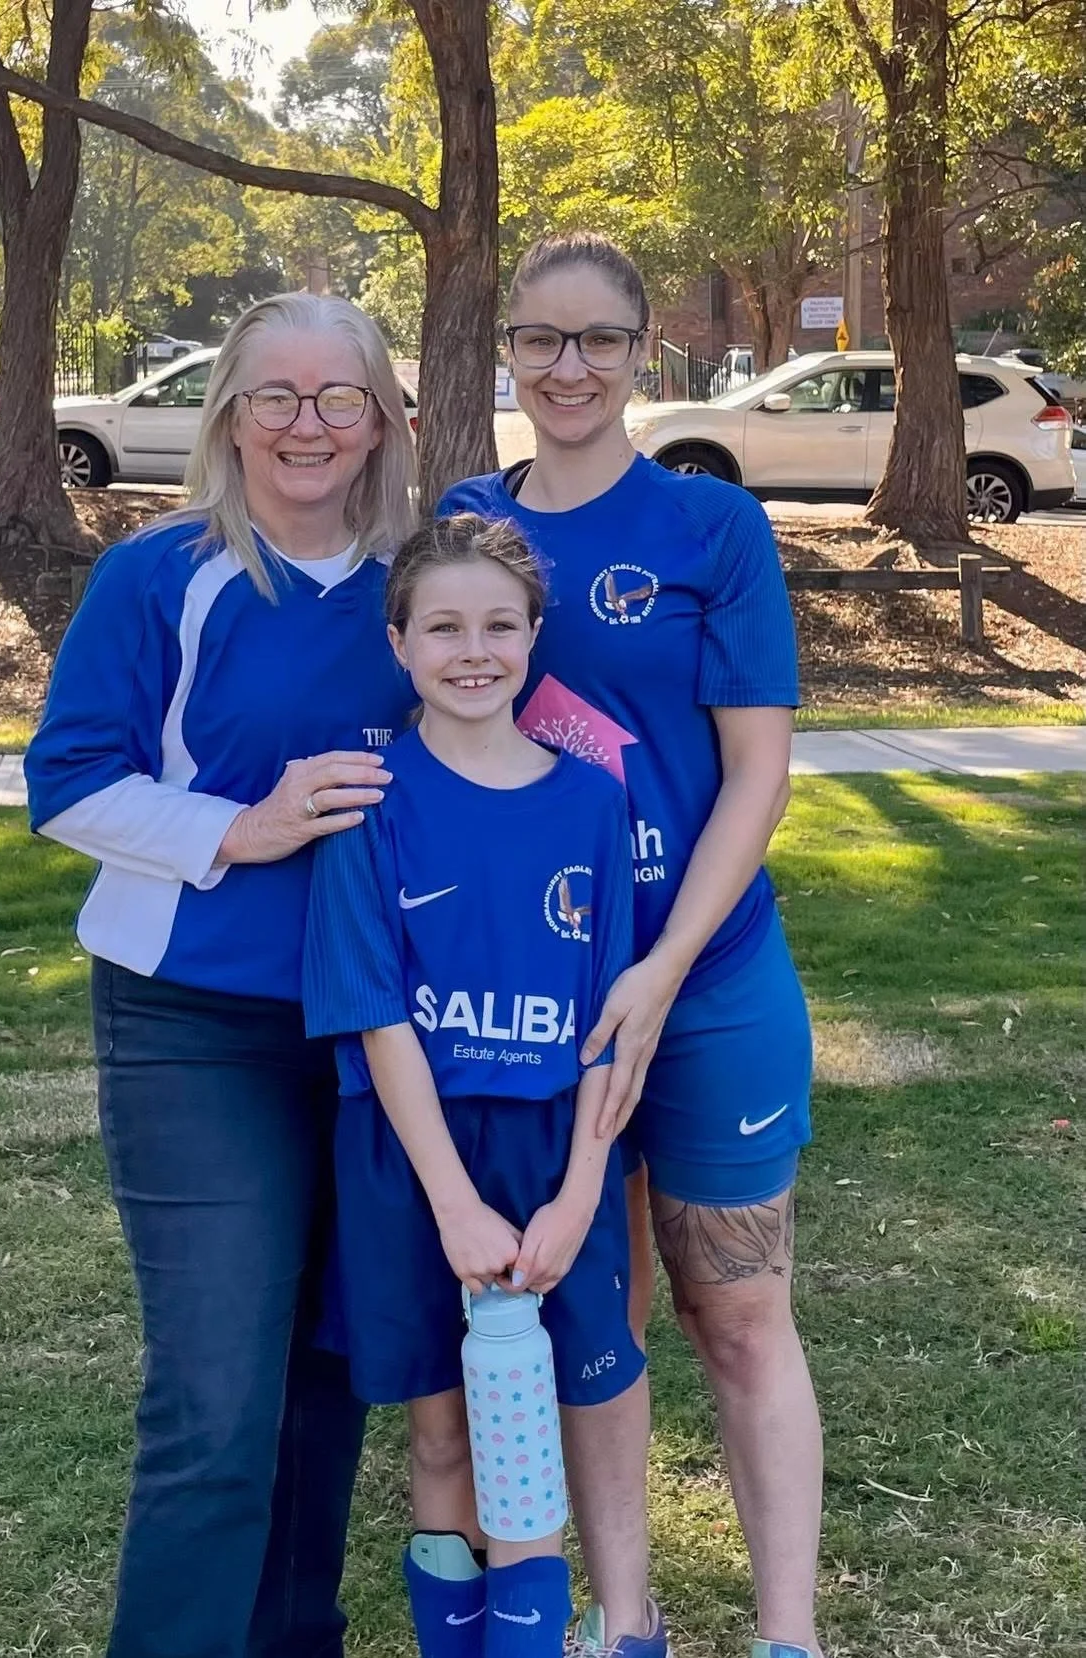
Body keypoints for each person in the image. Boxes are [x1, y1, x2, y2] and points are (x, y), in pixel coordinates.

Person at [439, 231, 819, 1658]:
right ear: (509, 353)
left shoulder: (710, 528)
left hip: (704, 982)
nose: (568, 366)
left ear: (642, 352)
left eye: (597, 339)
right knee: (592, 1323)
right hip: (541, 1001)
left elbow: (756, 774)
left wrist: (663, 969)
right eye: (540, 338)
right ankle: (627, 1621)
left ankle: (787, 1635)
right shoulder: (471, 520)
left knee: (739, 1313)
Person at [23, 292, 418, 1658]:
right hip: (194, 1021)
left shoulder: (422, 582)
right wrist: (241, 829)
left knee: (327, 1373)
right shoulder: (160, 574)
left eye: (339, 397)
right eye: (275, 396)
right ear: (229, 417)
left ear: (382, 420)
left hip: (376, 1027)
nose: (308, 425)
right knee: (216, 1396)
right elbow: (68, 780)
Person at [301, 514, 664, 1658]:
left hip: (555, 1151)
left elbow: (608, 1025)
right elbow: (374, 1015)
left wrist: (578, 1191)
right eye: (443, 627)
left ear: (533, 636)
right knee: (445, 1438)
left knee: (525, 1434)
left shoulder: (590, 798)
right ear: (398, 642)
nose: (473, 651)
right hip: (416, 1160)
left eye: (498, 625)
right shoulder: (367, 797)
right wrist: (454, 1206)